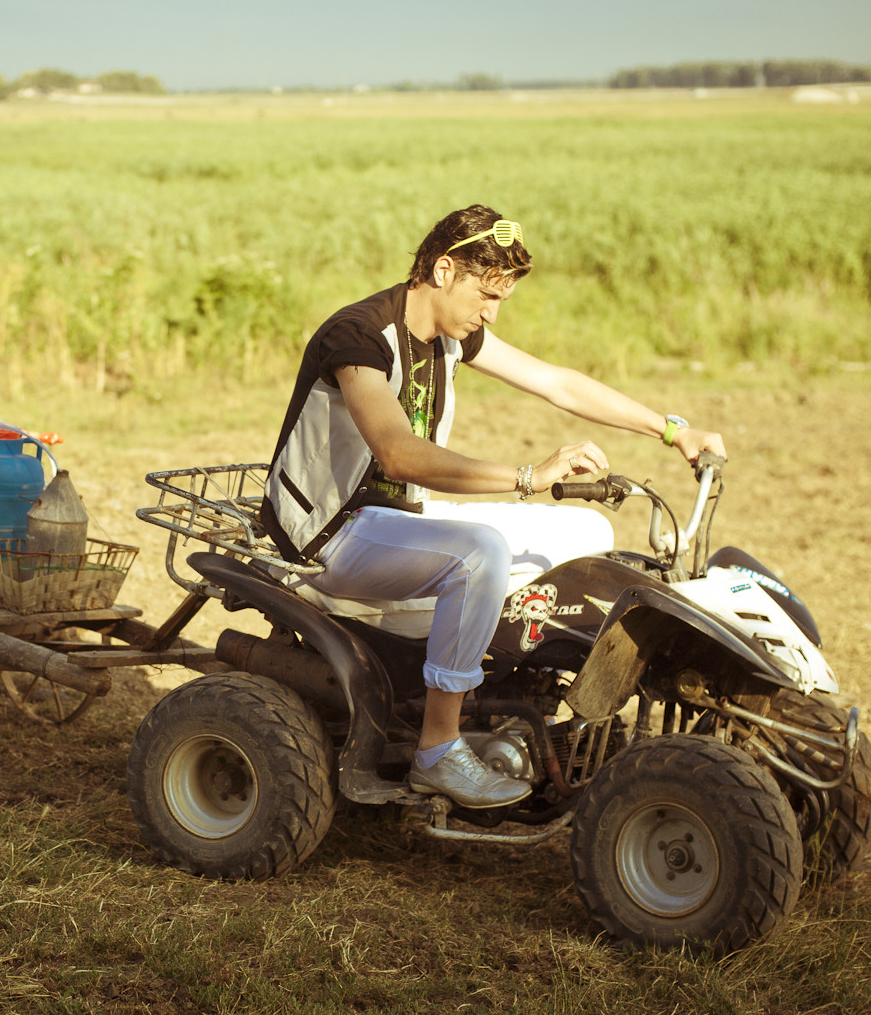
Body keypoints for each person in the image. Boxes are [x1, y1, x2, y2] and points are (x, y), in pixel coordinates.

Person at [260, 204, 727, 808]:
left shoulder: (454, 334)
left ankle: (525, 698)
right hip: (328, 534)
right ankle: (438, 749)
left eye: (501, 299)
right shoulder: (359, 336)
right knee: (480, 555)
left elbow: (558, 383)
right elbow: (400, 455)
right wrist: (529, 476)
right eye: (486, 294)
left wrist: (670, 431)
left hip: (398, 520)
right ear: (444, 269)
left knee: (585, 529)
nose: (491, 311)